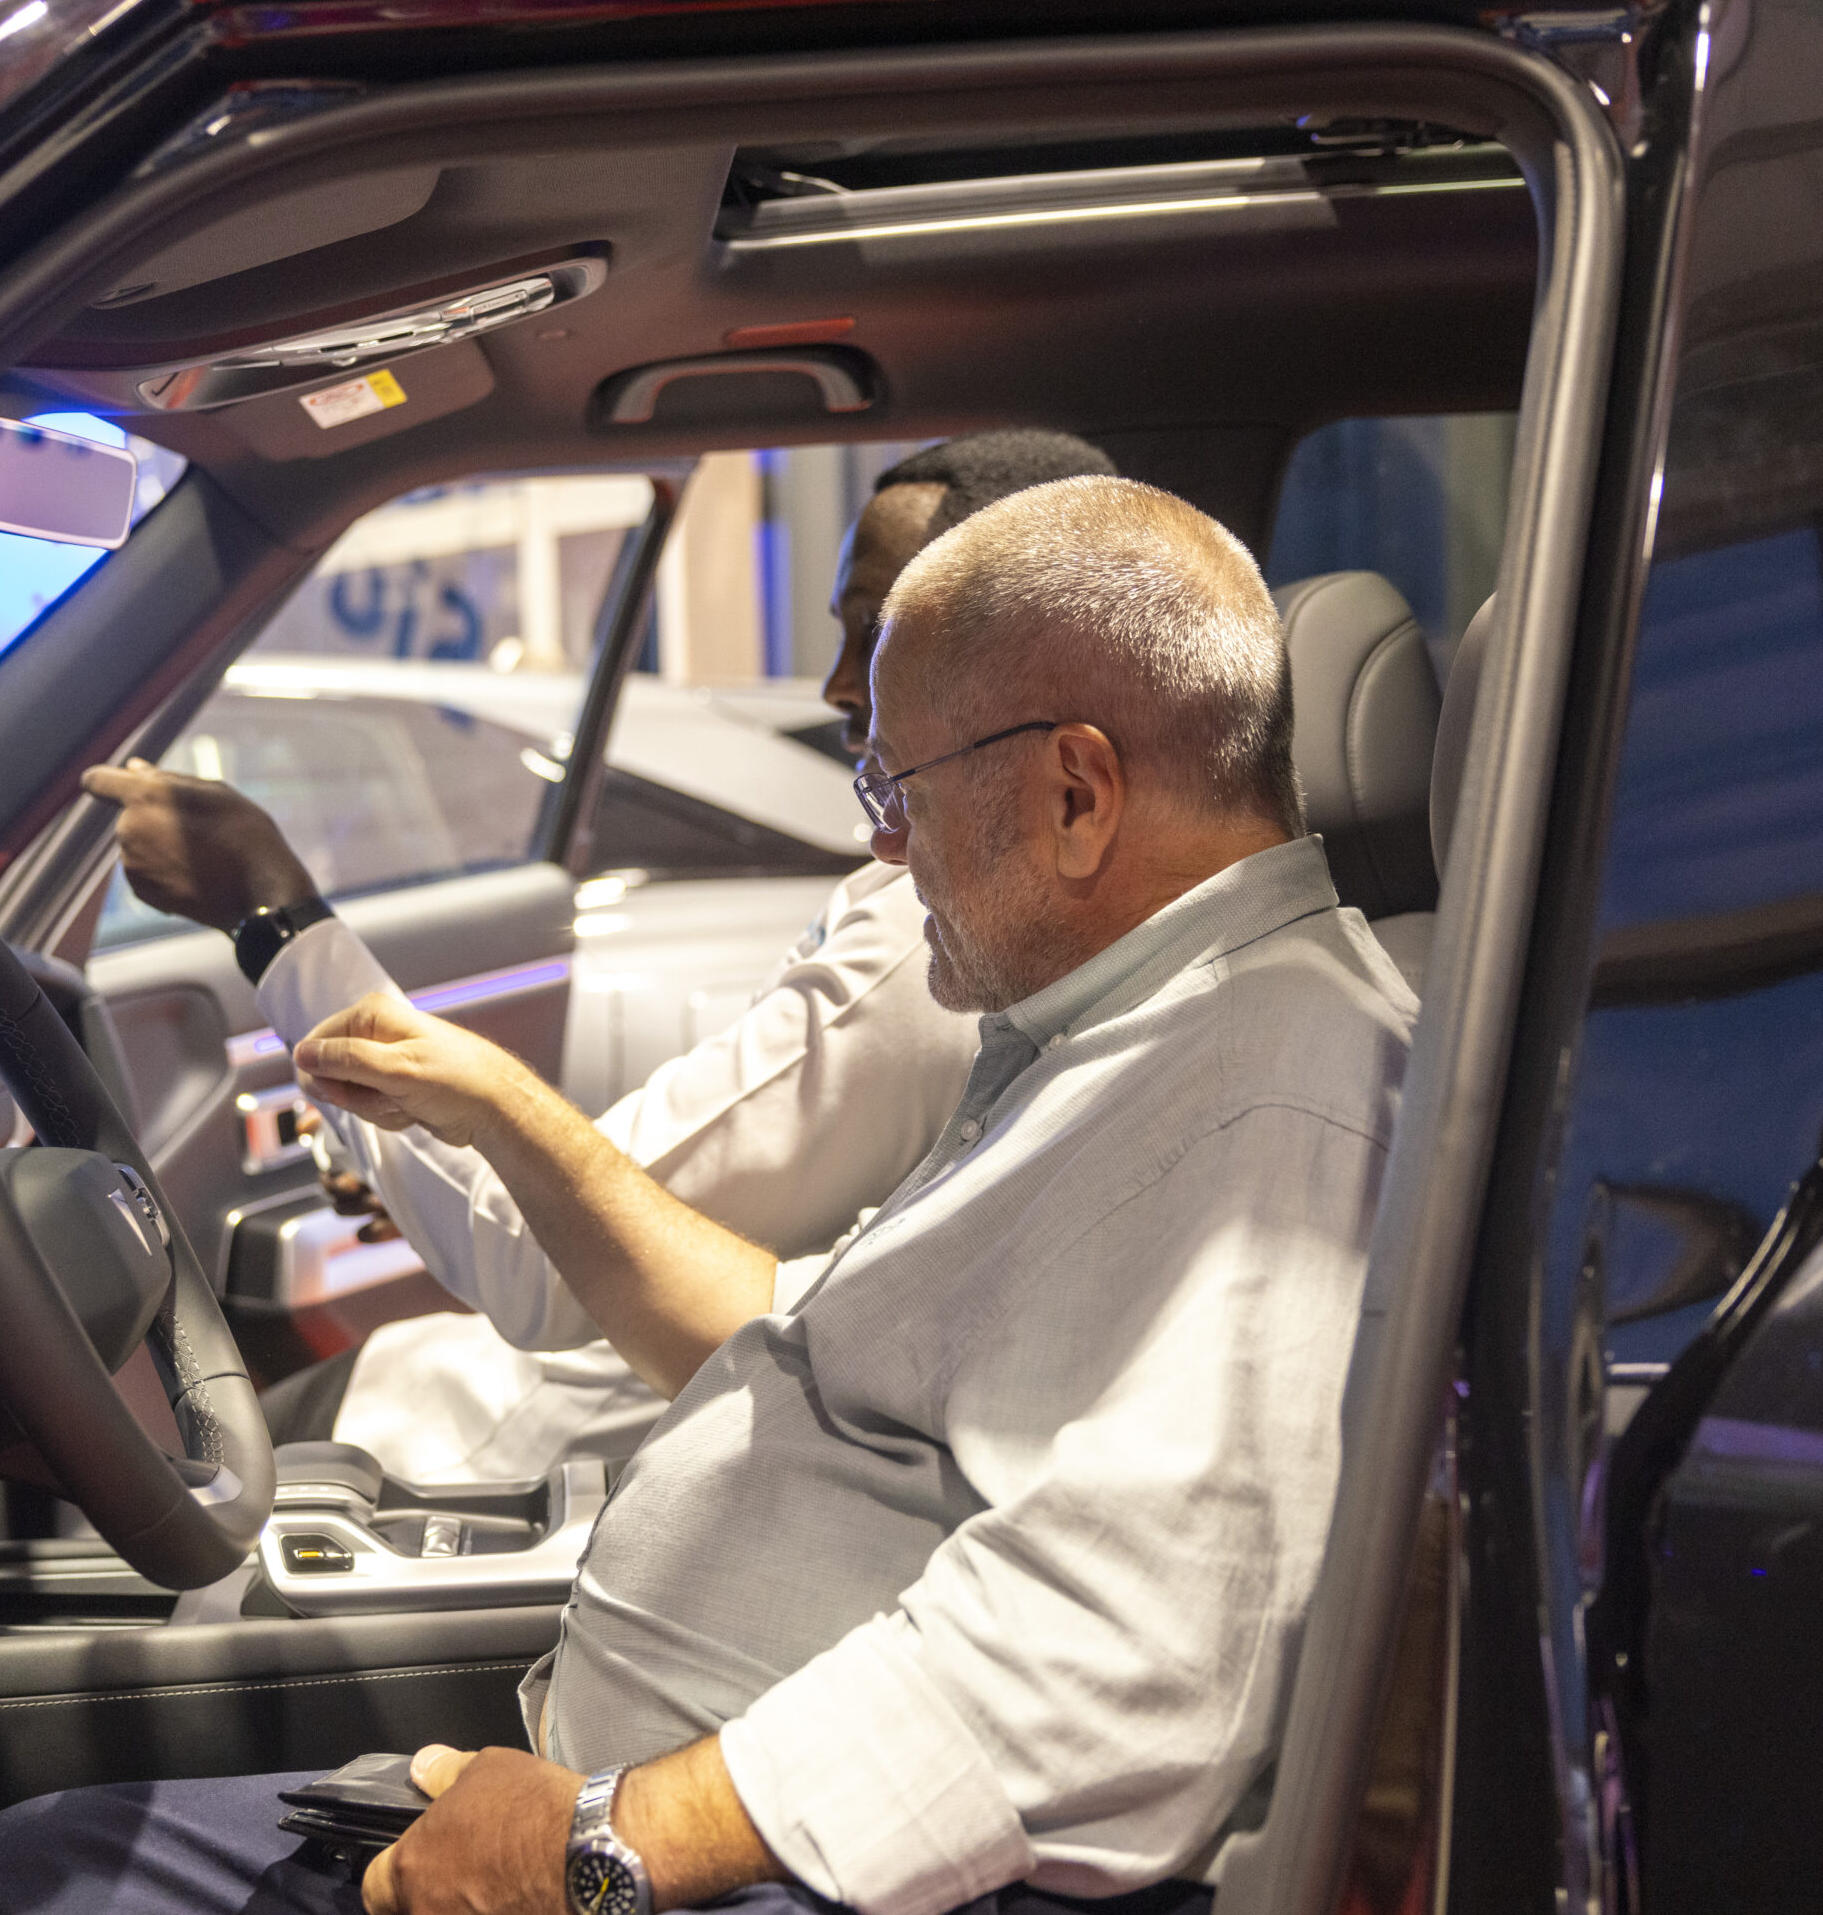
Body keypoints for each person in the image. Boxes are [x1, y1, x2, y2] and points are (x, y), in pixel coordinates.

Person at [0, 476, 1418, 1915]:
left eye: (898, 789)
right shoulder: (1124, 1044)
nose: (884, 846)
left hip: (832, 1904)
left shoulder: (1271, 1092)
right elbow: (804, 1336)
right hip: (710, 1839)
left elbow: (1128, 1652)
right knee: (32, 1881)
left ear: (1075, 792)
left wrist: (606, 1846)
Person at [103, 429, 1118, 1481]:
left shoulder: (931, 940)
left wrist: (268, 912)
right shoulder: (975, 930)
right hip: (565, 1414)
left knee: (147, 1473)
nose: (833, 685)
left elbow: (531, 1257)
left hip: (530, 1445)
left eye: (876, 631)